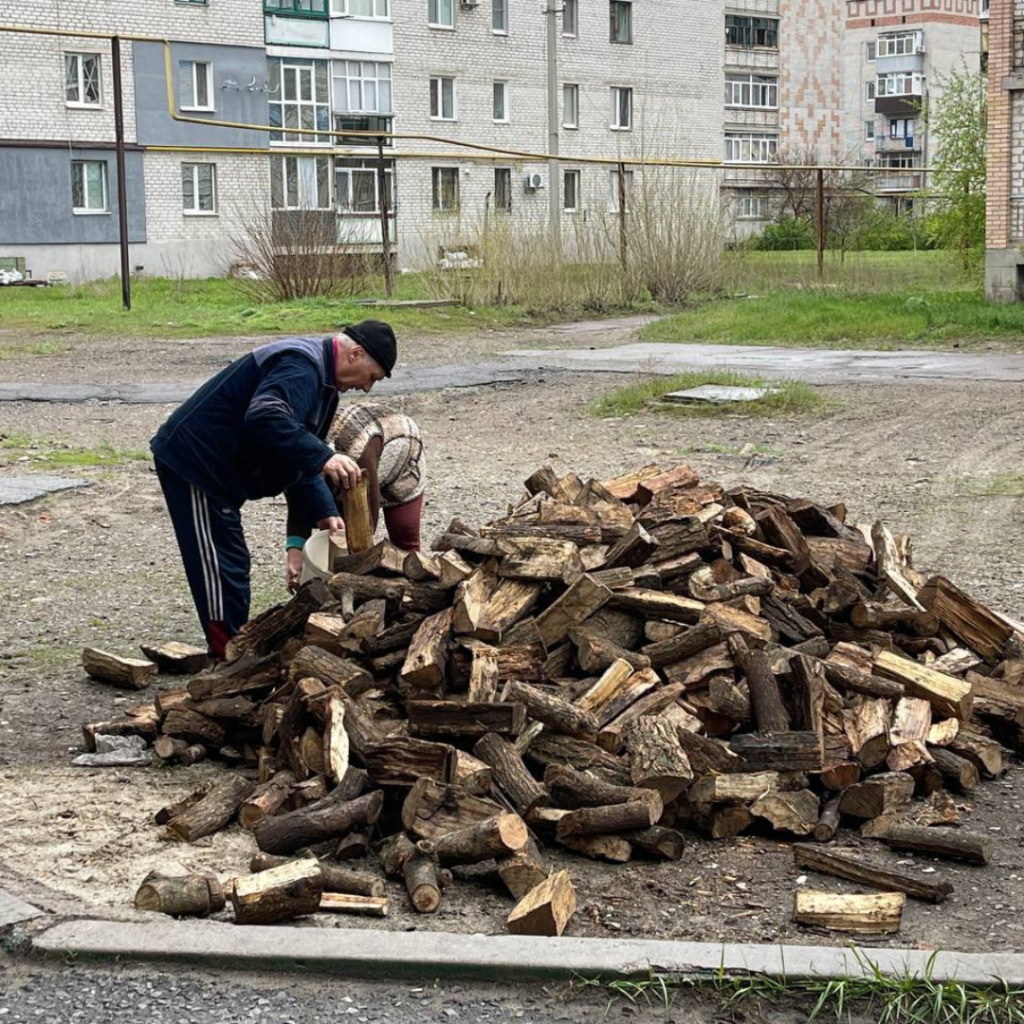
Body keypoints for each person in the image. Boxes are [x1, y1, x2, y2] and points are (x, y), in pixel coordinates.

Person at [150, 320, 397, 659]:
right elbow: (266, 415)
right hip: (196, 465)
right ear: (356, 353)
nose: (368, 388)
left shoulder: (324, 385)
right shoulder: (301, 365)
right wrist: (325, 457)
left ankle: (233, 652)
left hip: (221, 475)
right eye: (372, 377)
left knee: (233, 564)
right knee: (222, 566)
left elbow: (295, 452)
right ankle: (225, 660)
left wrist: (325, 511)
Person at [284, 403, 427, 591]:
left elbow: (365, 526)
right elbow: (299, 502)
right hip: (342, 468)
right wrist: (295, 551)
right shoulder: (294, 454)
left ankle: (415, 596)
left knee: (404, 537)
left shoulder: (354, 454)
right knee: (333, 533)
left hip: (401, 451)